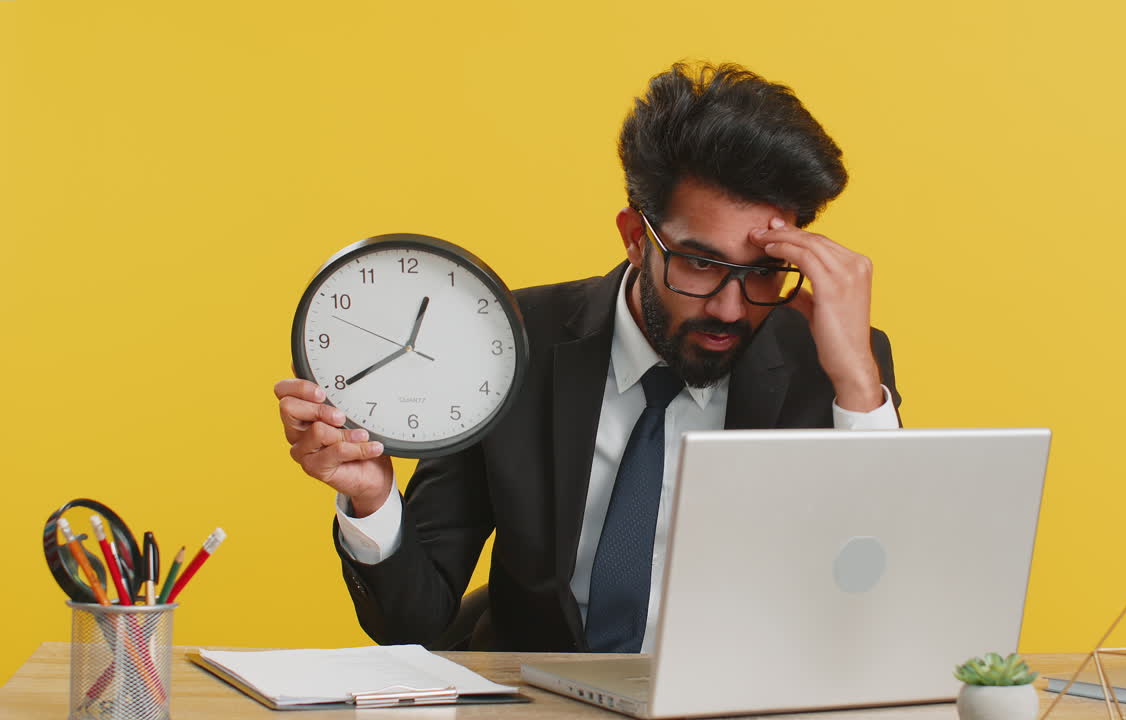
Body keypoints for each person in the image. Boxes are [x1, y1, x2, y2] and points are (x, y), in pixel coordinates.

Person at [274, 61, 903, 653]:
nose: (732, 308)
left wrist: (856, 384)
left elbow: (881, 604)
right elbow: (414, 621)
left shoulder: (838, 365)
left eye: (766, 272)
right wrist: (372, 500)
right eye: (702, 263)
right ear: (636, 238)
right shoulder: (509, 345)